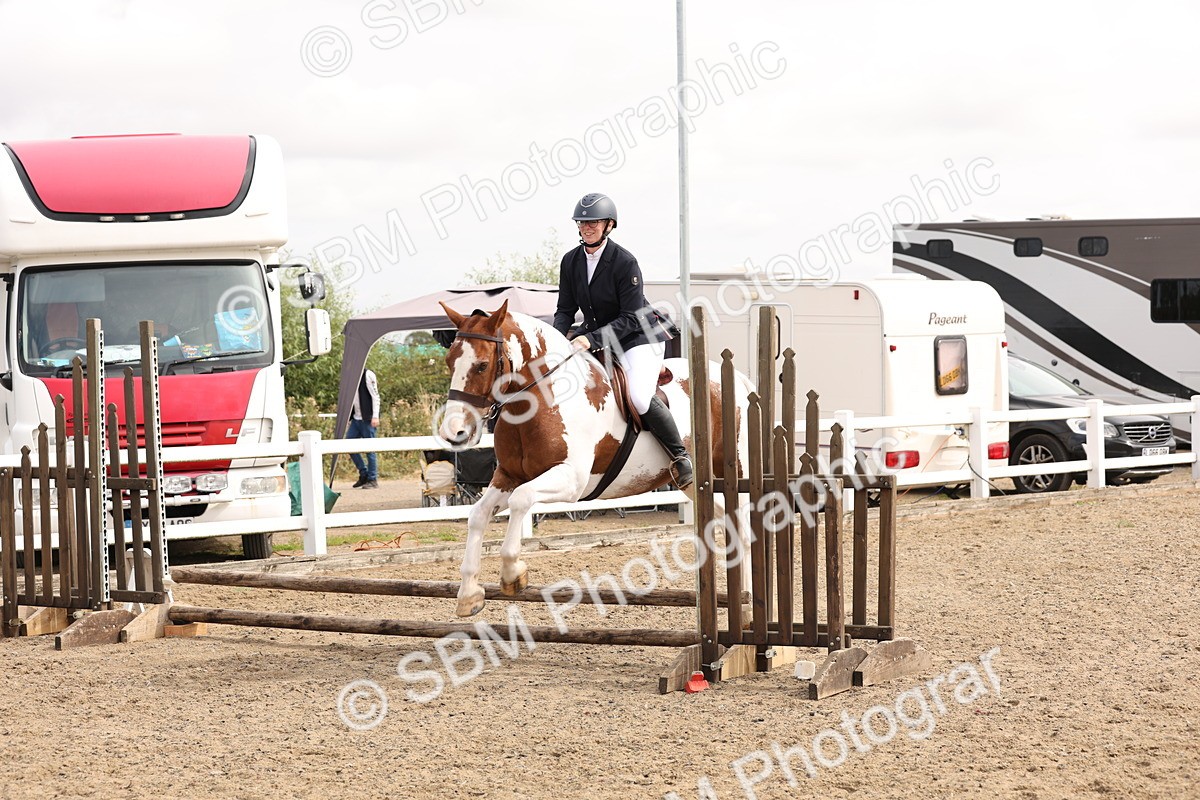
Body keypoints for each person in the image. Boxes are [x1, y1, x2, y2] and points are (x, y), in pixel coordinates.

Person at [553, 192, 693, 489]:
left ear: (609, 225)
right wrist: (556, 340)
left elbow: (631, 316)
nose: (587, 227)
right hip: (597, 336)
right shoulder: (571, 261)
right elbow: (565, 310)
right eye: (582, 222)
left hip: (638, 336)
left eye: (594, 222)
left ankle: (680, 456)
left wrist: (589, 338)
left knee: (639, 396)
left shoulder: (624, 261)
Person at [347, 368, 380, 489]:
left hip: (367, 418)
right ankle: (363, 473)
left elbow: (375, 396)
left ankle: (373, 478)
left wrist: (375, 416)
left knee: (370, 449)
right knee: (348, 445)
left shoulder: (368, 374)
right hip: (356, 418)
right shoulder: (350, 375)